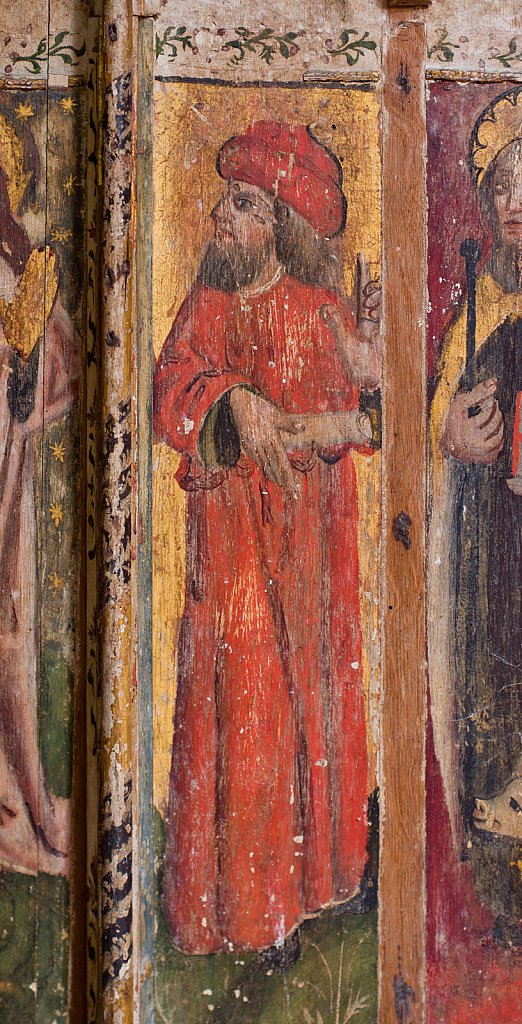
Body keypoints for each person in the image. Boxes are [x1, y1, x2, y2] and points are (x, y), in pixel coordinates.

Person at [153, 121, 381, 962]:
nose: (218, 215)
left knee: (310, 711)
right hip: (233, 550)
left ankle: (310, 891)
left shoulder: (323, 311)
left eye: (242, 203)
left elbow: (370, 418)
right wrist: (229, 403)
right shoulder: (209, 302)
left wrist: (338, 401)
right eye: (224, 199)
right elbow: (168, 385)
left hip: (312, 548)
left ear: (279, 221)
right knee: (242, 715)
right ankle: (243, 913)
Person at [429, 85, 522, 945]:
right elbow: (439, 424)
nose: (516, 200)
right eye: (501, 183)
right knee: (496, 700)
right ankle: (506, 894)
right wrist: (452, 437)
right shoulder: (480, 303)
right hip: (500, 551)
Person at [0, 109, 79, 876]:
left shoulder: (21, 264)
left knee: (12, 632)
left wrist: (32, 330)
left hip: (8, 477)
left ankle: (19, 804)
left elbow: (57, 370)